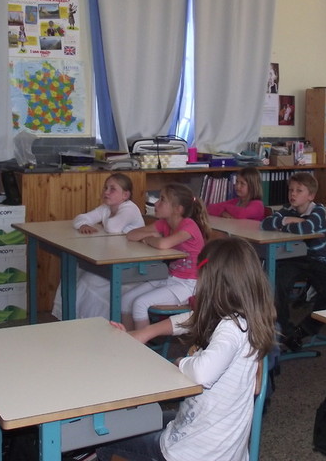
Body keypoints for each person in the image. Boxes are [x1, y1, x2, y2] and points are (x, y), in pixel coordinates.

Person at [96, 237, 277, 461]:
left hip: (193, 453)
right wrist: (145, 333)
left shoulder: (230, 329)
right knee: (145, 419)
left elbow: (202, 374)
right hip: (212, 440)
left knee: (107, 438)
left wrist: (180, 362)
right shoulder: (245, 321)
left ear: (211, 283)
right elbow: (192, 318)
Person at [261, 172, 326, 351]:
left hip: (316, 260)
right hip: (293, 258)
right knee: (276, 284)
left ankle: (303, 330)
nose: (293, 194)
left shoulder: (318, 211)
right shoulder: (287, 209)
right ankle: (284, 331)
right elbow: (265, 223)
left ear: (310, 196)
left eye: (299, 190)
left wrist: (285, 223)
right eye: (291, 190)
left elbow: (307, 228)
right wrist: (289, 219)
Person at [51, 173, 145, 320]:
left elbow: (113, 228)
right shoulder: (106, 208)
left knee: (87, 281)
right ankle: (69, 317)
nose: (106, 192)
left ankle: (94, 322)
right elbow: (80, 218)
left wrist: (101, 220)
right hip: (111, 257)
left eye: (112, 189)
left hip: (131, 265)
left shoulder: (130, 209)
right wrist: (83, 224)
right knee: (75, 272)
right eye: (105, 188)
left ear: (125, 195)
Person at [123, 183, 210, 330]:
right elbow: (131, 235)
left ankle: (141, 342)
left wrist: (148, 238)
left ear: (178, 209)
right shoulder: (164, 223)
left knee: (140, 304)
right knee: (126, 300)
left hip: (189, 285)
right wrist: (153, 235)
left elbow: (163, 244)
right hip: (170, 277)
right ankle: (127, 340)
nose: (156, 203)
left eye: (162, 200)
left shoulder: (189, 226)